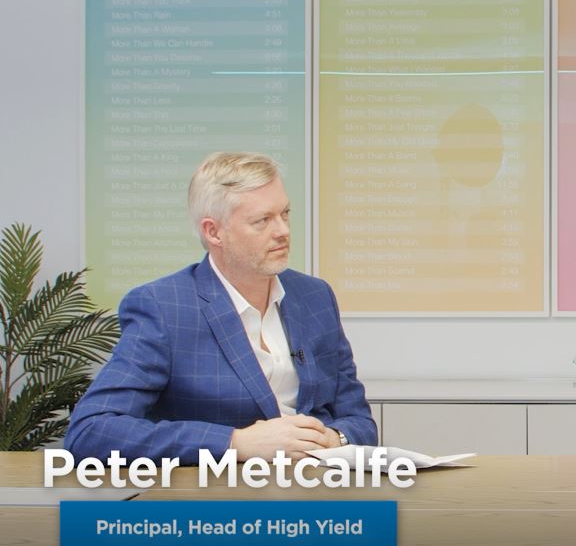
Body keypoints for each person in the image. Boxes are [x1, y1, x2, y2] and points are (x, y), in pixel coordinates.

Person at [66, 152, 376, 463]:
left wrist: (336, 438)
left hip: (320, 494)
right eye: (262, 221)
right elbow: (91, 431)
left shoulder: (314, 296)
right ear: (214, 232)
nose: (282, 231)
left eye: (285, 213)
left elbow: (360, 423)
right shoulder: (163, 307)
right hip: (218, 501)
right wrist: (235, 443)